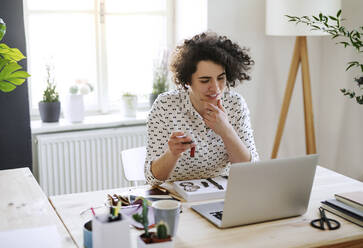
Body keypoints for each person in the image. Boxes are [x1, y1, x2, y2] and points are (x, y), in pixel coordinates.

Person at [145, 32, 259, 186]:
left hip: (220, 196)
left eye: (221, 78)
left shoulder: (235, 104)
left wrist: (226, 131)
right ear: (187, 82)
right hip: (175, 200)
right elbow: (152, 178)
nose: (216, 88)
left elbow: (252, 171)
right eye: (205, 80)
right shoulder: (166, 105)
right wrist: (172, 153)